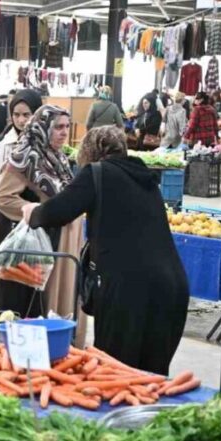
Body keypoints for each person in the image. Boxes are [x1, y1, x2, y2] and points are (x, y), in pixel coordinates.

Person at [21, 126, 188, 374]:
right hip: (172, 287)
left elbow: (60, 210)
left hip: (129, 290)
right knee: (152, 378)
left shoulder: (97, 173)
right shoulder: (144, 178)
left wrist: (32, 213)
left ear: (91, 150)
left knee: (115, 372)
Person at [0, 105, 84, 342]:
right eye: (57, 127)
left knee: (63, 296)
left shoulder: (59, 158)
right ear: (43, 128)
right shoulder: (25, 156)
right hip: (40, 245)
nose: (64, 133)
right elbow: (3, 198)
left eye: (67, 127)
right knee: (40, 302)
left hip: (64, 239)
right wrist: (33, 210)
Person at [0, 89, 42, 225]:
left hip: (39, 221)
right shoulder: (5, 145)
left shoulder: (43, 144)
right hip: (10, 221)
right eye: (16, 114)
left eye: (26, 115)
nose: (21, 120)